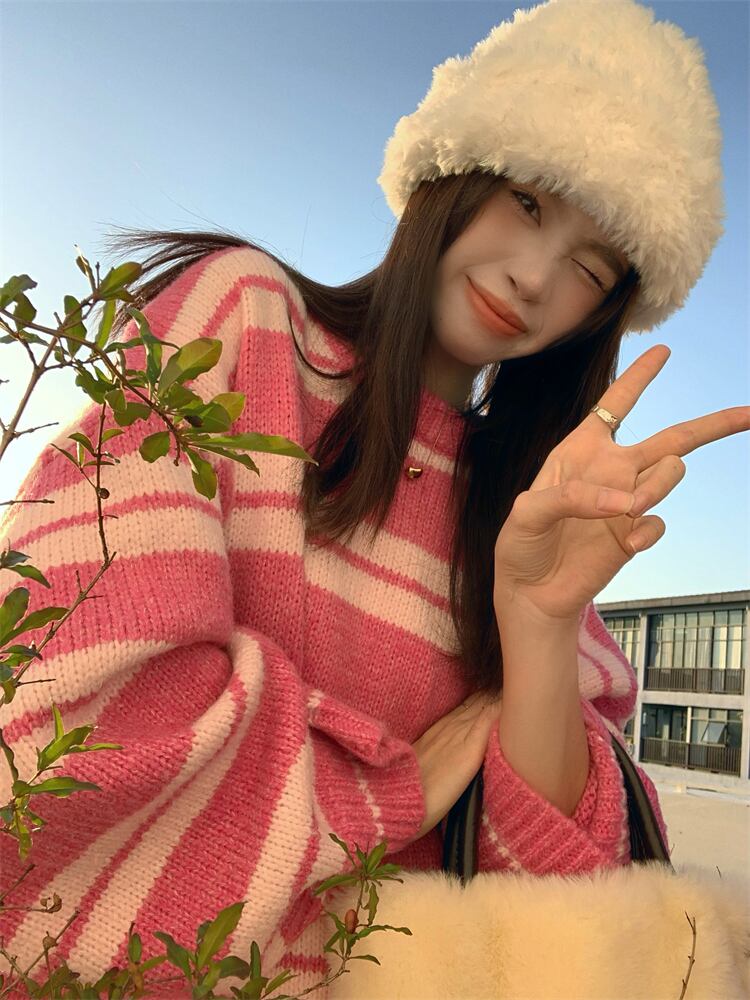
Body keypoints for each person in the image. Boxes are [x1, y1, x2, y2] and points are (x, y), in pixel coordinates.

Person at [0, 0, 746, 995]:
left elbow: (562, 909)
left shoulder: (532, 519)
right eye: (526, 202)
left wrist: (536, 626)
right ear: (451, 171)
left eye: (589, 267)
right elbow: (65, 708)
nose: (533, 278)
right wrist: (388, 792)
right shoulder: (245, 322)